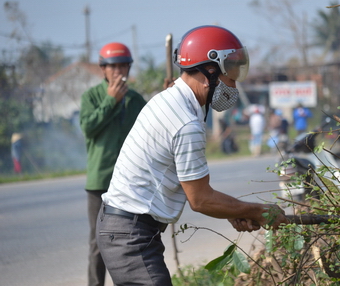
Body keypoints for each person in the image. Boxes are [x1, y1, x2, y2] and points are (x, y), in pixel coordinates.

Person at [96, 25, 288, 285]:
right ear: (209, 69)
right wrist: (258, 211)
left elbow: (193, 189)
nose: (234, 83)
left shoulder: (173, 100)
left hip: (128, 230)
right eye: (230, 73)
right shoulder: (185, 122)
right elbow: (200, 199)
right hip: (130, 234)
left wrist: (232, 211)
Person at [79, 42, 147, 286]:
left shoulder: (137, 100)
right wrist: (110, 101)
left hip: (130, 182)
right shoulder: (92, 97)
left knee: (132, 238)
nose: (118, 71)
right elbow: (88, 127)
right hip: (100, 182)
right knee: (98, 242)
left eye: (122, 65)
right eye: (112, 66)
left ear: (129, 67)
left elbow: (150, 132)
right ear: (103, 69)